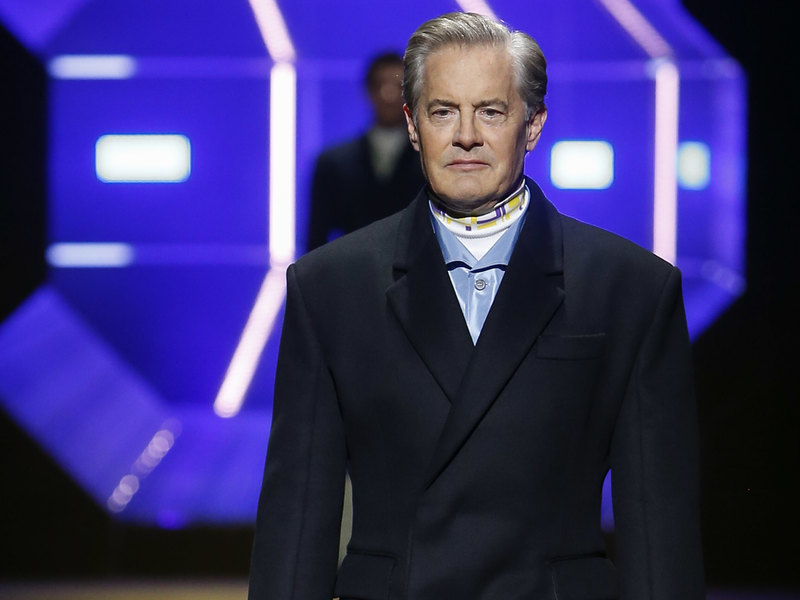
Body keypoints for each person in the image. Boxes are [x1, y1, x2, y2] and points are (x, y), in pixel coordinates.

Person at [249, 12, 703, 600]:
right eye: (443, 112)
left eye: (491, 111)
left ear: (533, 125)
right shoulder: (330, 288)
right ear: (413, 125)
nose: (466, 135)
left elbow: (658, 525)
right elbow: (297, 517)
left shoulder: (630, 288)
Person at [307, 51, 425, 250]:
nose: (389, 95)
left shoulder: (430, 161)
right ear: (368, 91)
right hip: (351, 267)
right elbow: (316, 240)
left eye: (398, 87)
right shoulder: (333, 163)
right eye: (380, 85)